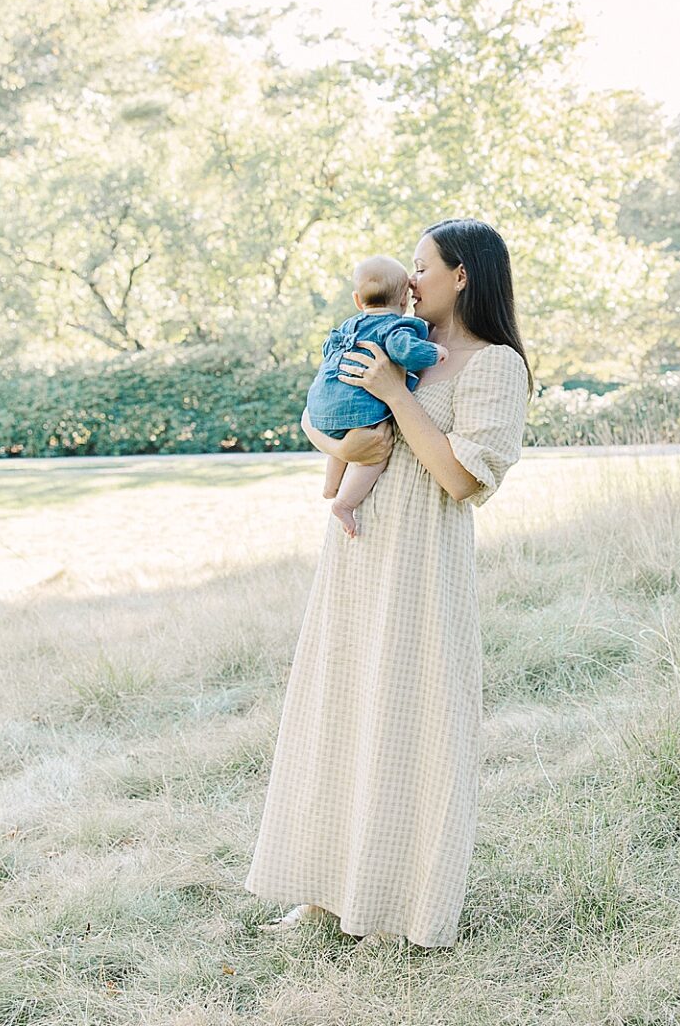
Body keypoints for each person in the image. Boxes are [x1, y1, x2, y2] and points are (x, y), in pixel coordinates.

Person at [242, 217, 536, 949]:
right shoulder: (381, 339)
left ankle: (392, 905)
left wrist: (396, 396)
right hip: (358, 552)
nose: (410, 280)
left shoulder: (492, 365)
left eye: (422, 267)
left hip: (421, 566)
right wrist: (343, 439)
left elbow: (465, 480)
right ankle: (323, 892)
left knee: (409, 728)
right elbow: (319, 419)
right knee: (339, 710)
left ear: (462, 274)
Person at [306, 254, 447, 538]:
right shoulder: (396, 327)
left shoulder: (348, 326)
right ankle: (344, 503)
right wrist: (435, 353)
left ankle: (330, 486)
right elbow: (404, 350)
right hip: (359, 408)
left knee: (344, 439)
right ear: (404, 302)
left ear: (358, 301)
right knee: (372, 457)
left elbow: (327, 349)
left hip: (321, 403)